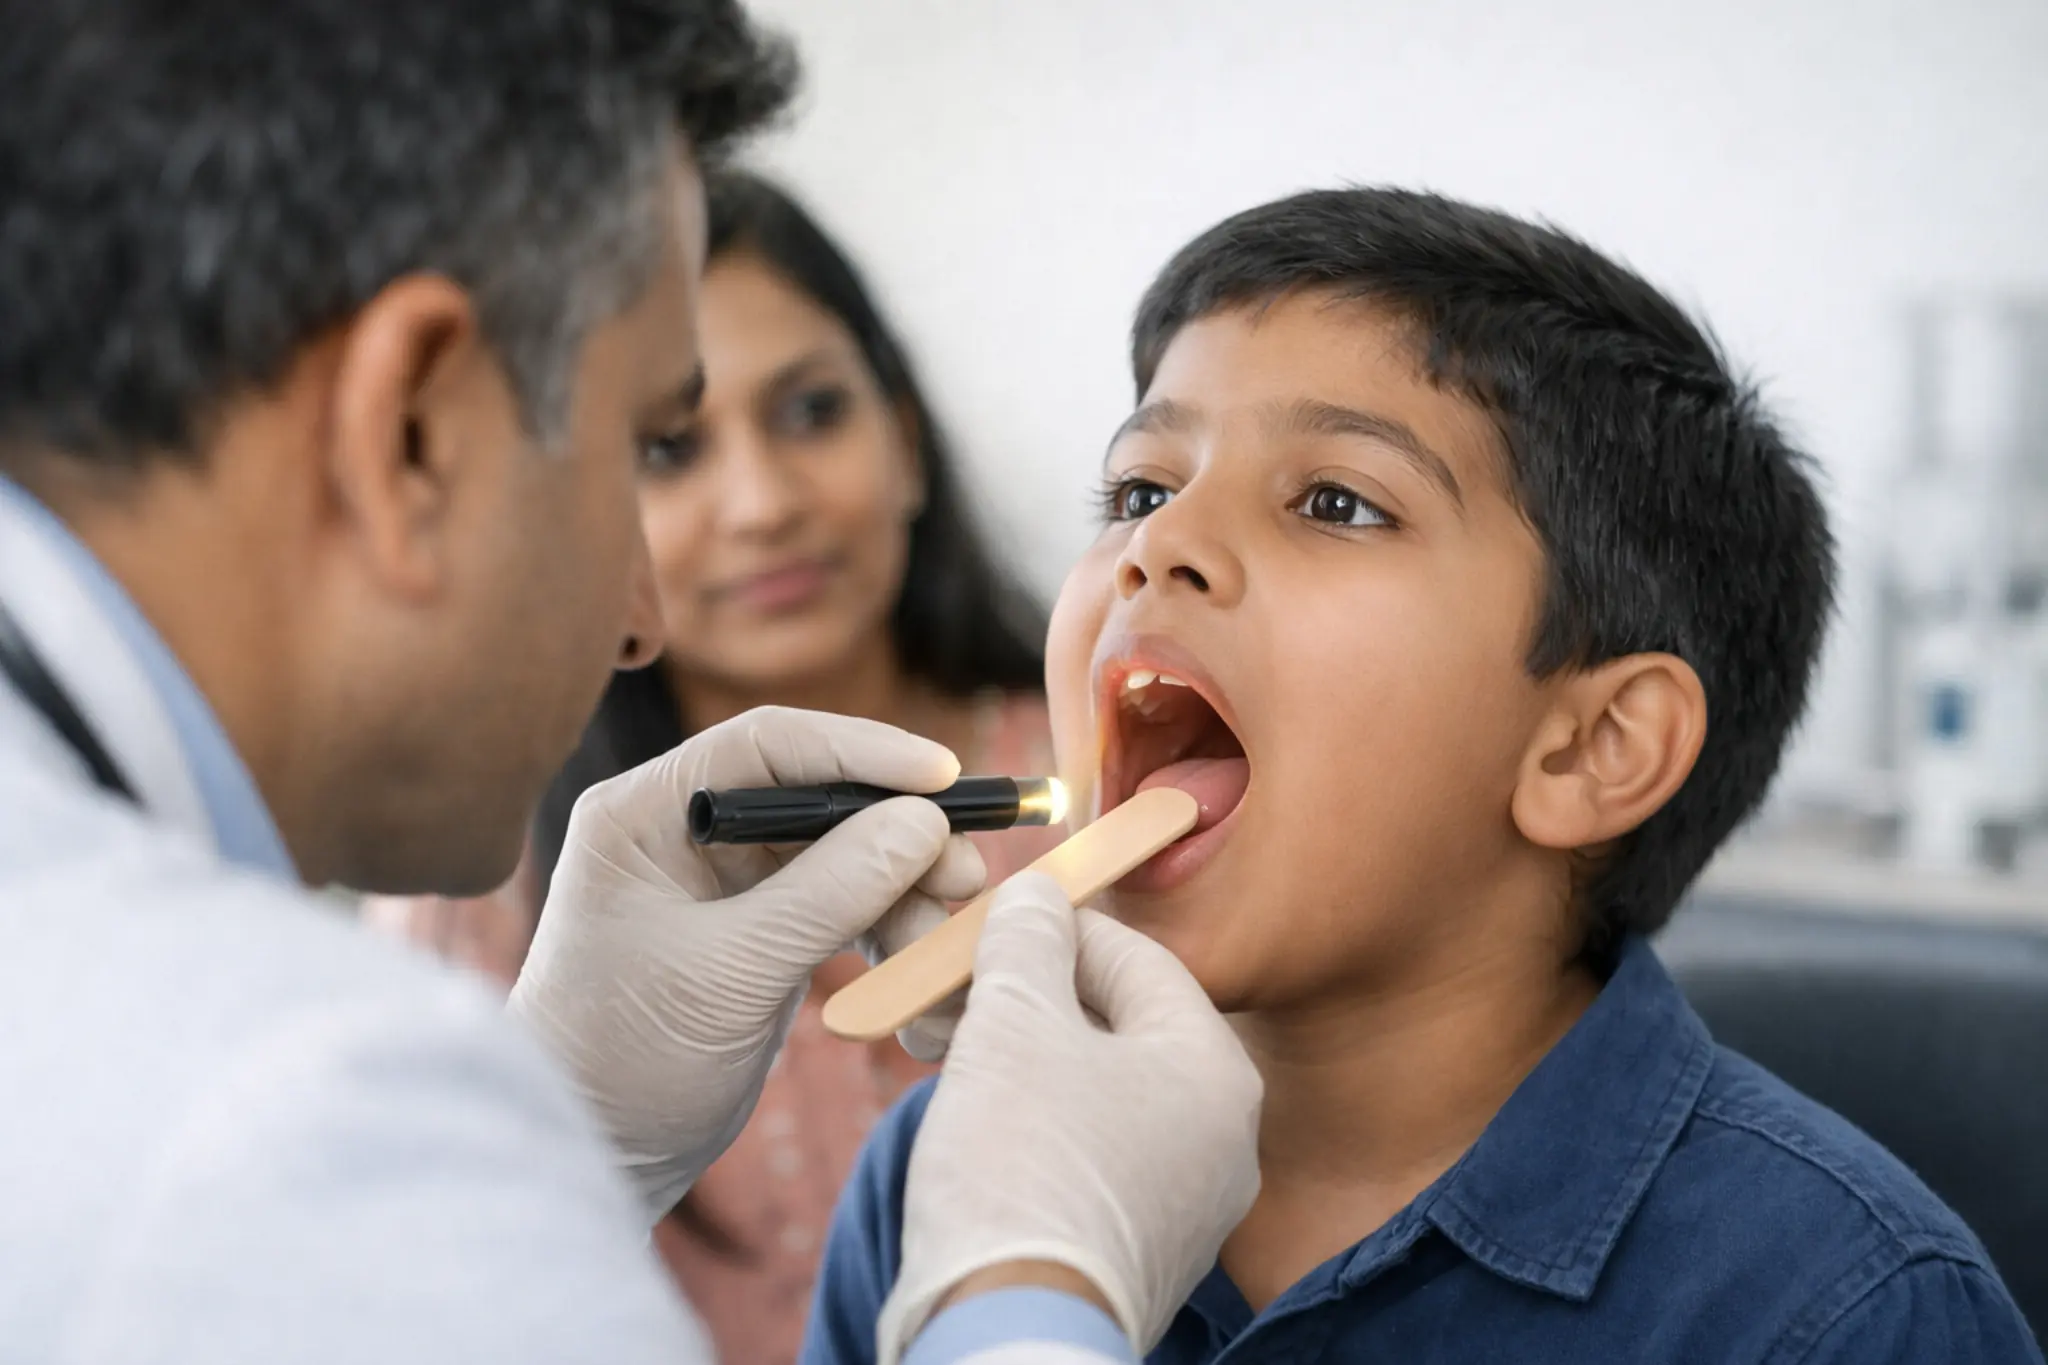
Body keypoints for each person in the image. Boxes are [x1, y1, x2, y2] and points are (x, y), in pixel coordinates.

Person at [0, 4, 1264, 1363]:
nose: (642, 624)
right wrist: (1026, 1284)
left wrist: (566, 1123)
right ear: (410, 427)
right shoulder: (277, 1112)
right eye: (644, 445)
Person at [801, 188, 2047, 1365]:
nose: (1157, 546)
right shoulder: (970, 1184)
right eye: (1139, 487)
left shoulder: (1842, 1314)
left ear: (1588, 747)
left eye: (1335, 502)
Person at [369, 167, 1061, 1365]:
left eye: (810, 413)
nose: (761, 505)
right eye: (669, 448)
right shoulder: (475, 898)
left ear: (903, 438)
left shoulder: (1107, 780)